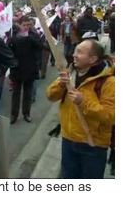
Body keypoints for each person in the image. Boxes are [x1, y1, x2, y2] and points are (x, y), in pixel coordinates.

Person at [46, 40, 115, 179]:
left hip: (93, 145)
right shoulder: (70, 72)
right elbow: (50, 96)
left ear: (93, 59)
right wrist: (60, 84)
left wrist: (83, 102)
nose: (74, 55)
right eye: (75, 51)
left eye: (80, 52)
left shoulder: (109, 82)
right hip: (68, 139)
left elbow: (110, 116)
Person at [9, 16, 43, 124]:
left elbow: (40, 47)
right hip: (17, 68)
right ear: (19, 25)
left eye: (29, 25)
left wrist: (29, 38)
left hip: (30, 67)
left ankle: (26, 113)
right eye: (24, 25)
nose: (27, 27)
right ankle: (14, 115)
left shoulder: (34, 35)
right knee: (16, 93)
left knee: (27, 93)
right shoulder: (14, 35)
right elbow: (8, 49)